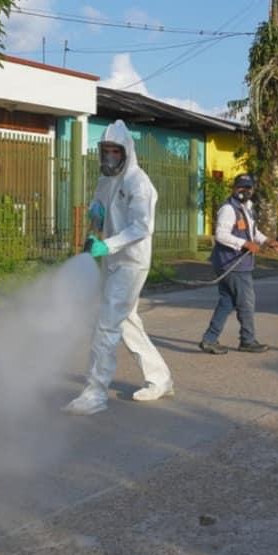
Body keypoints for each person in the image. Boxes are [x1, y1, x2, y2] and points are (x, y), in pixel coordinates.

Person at [63, 120, 173, 416]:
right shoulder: (105, 180)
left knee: (106, 324)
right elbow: (99, 211)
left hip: (131, 262)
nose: (110, 156)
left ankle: (95, 393)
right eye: (106, 150)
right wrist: (94, 223)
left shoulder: (139, 183)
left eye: (115, 151)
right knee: (126, 321)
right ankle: (161, 378)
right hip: (111, 261)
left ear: (127, 153)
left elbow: (142, 227)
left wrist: (107, 245)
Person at [199, 174, 278, 354]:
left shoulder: (246, 208)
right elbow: (221, 235)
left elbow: (253, 232)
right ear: (234, 188)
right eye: (240, 187)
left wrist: (267, 241)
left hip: (236, 263)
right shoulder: (228, 209)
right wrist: (244, 244)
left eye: (248, 187)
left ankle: (209, 339)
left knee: (227, 302)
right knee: (246, 302)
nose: (244, 191)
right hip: (232, 264)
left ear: (252, 189)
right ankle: (247, 340)